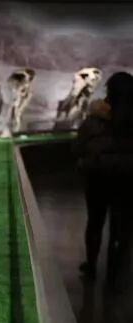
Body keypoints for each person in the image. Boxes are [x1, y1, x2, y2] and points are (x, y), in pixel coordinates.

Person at [75, 71, 133, 285]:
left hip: (98, 176)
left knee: (95, 222)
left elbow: (78, 146)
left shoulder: (95, 119)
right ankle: (116, 272)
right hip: (127, 179)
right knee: (122, 226)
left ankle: (91, 265)